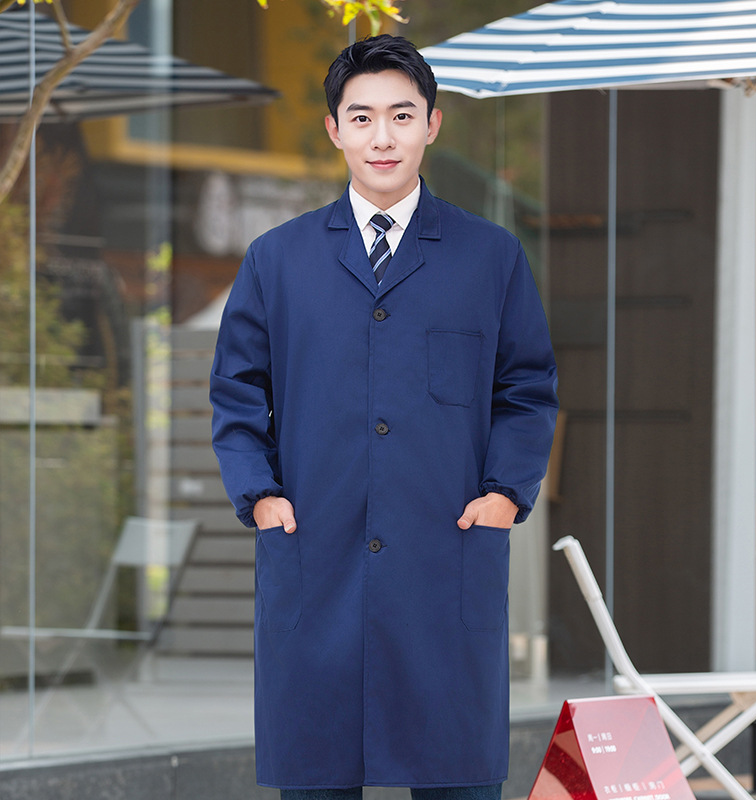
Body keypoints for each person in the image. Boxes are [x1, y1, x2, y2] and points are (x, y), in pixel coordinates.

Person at [210, 34, 558, 800]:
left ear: (433, 124)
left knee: (456, 775)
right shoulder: (277, 260)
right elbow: (236, 394)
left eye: (401, 115)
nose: (382, 137)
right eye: (361, 117)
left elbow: (527, 389)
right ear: (334, 129)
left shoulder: (490, 257)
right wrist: (260, 497)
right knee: (319, 773)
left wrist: (505, 493)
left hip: (444, 556)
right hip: (316, 552)